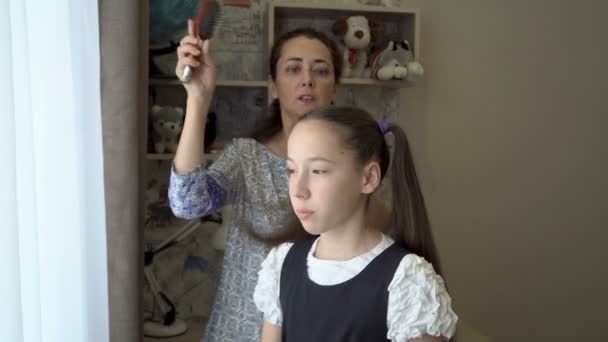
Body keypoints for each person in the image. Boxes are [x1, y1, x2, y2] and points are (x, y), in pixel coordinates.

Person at [168, 20, 348, 341]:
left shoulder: (353, 164)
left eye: (320, 71)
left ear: (335, 87)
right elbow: (186, 203)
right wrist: (198, 97)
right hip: (243, 331)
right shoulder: (246, 158)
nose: (307, 80)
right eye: (293, 69)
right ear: (273, 85)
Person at [253, 106, 459, 342]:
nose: (298, 190)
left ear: (369, 178)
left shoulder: (407, 282)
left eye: (318, 170)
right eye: (291, 170)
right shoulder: (281, 266)